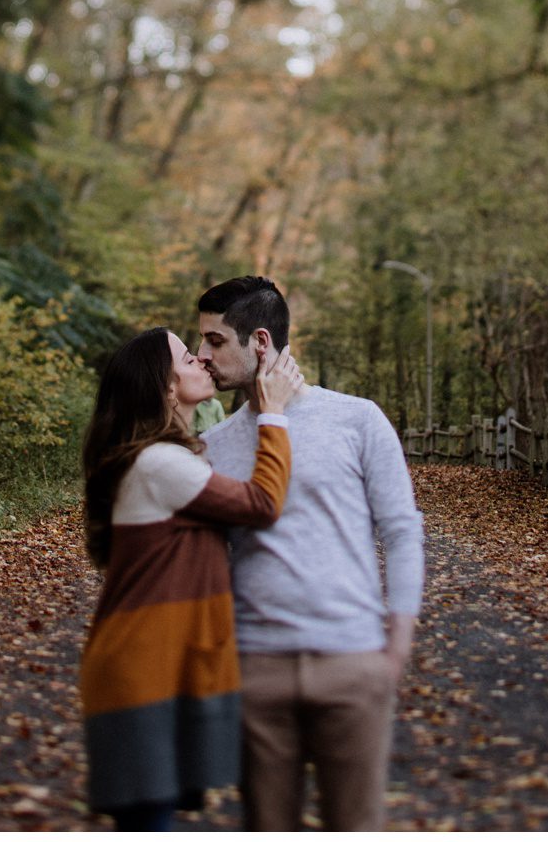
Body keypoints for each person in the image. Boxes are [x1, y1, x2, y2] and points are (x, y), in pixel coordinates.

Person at [196, 276, 425, 831]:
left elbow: (402, 531)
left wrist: (394, 650)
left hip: (351, 664)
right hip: (256, 672)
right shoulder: (215, 444)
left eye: (214, 341)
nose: (202, 356)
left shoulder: (357, 419)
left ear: (258, 342)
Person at [78, 326, 304, 831]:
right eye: (187, 357)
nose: (202, 361)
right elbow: (262, 504)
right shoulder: (160, 464)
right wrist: (273, 413)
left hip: (153, 666)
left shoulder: (167, 458)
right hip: (141, 672)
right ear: (164, 386)